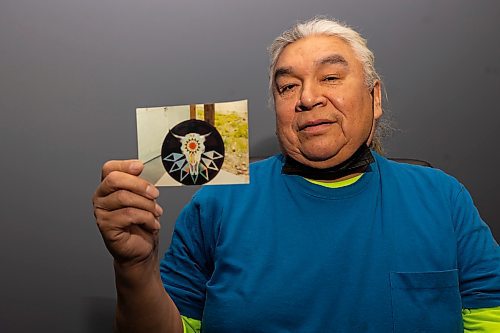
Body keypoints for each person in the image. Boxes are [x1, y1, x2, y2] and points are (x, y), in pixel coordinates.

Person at [92, 17, 500, 332]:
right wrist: (135, 269)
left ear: (374, 98)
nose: (307, 98)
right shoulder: (217, 203)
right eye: (287, 87)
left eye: (331, 77)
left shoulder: (443, 198)